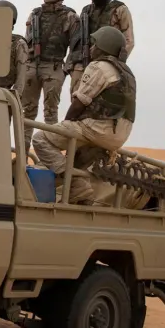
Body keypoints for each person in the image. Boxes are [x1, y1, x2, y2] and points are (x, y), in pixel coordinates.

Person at [32, 26, 135, 205]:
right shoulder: (128, 74)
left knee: (40, 138)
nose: (91, 48)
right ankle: (75, 192)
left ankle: (76, 185)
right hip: (118, 137)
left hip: (97, 128)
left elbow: (80, 103)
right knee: (75, 158)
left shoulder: (99, 66)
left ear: (105, 47)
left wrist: (64, 126)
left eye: (95, 44)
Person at [21, 0, 79, 152]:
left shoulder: (70, 16)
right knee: (27, 112)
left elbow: (75, 47)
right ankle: (22, 154)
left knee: (51, 114)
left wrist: (66, 69)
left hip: (54, 66)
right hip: (32, 65)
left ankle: (49, 156)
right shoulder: (35, 15)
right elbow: (26, 42)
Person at [68, 0, 134, 94]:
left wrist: (115, 64)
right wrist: (72, 65)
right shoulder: (86, 11)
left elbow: (128, 41)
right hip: (83, 65)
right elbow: (77, 41)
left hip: (106, 65)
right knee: (77, 99)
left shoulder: (120, 10)